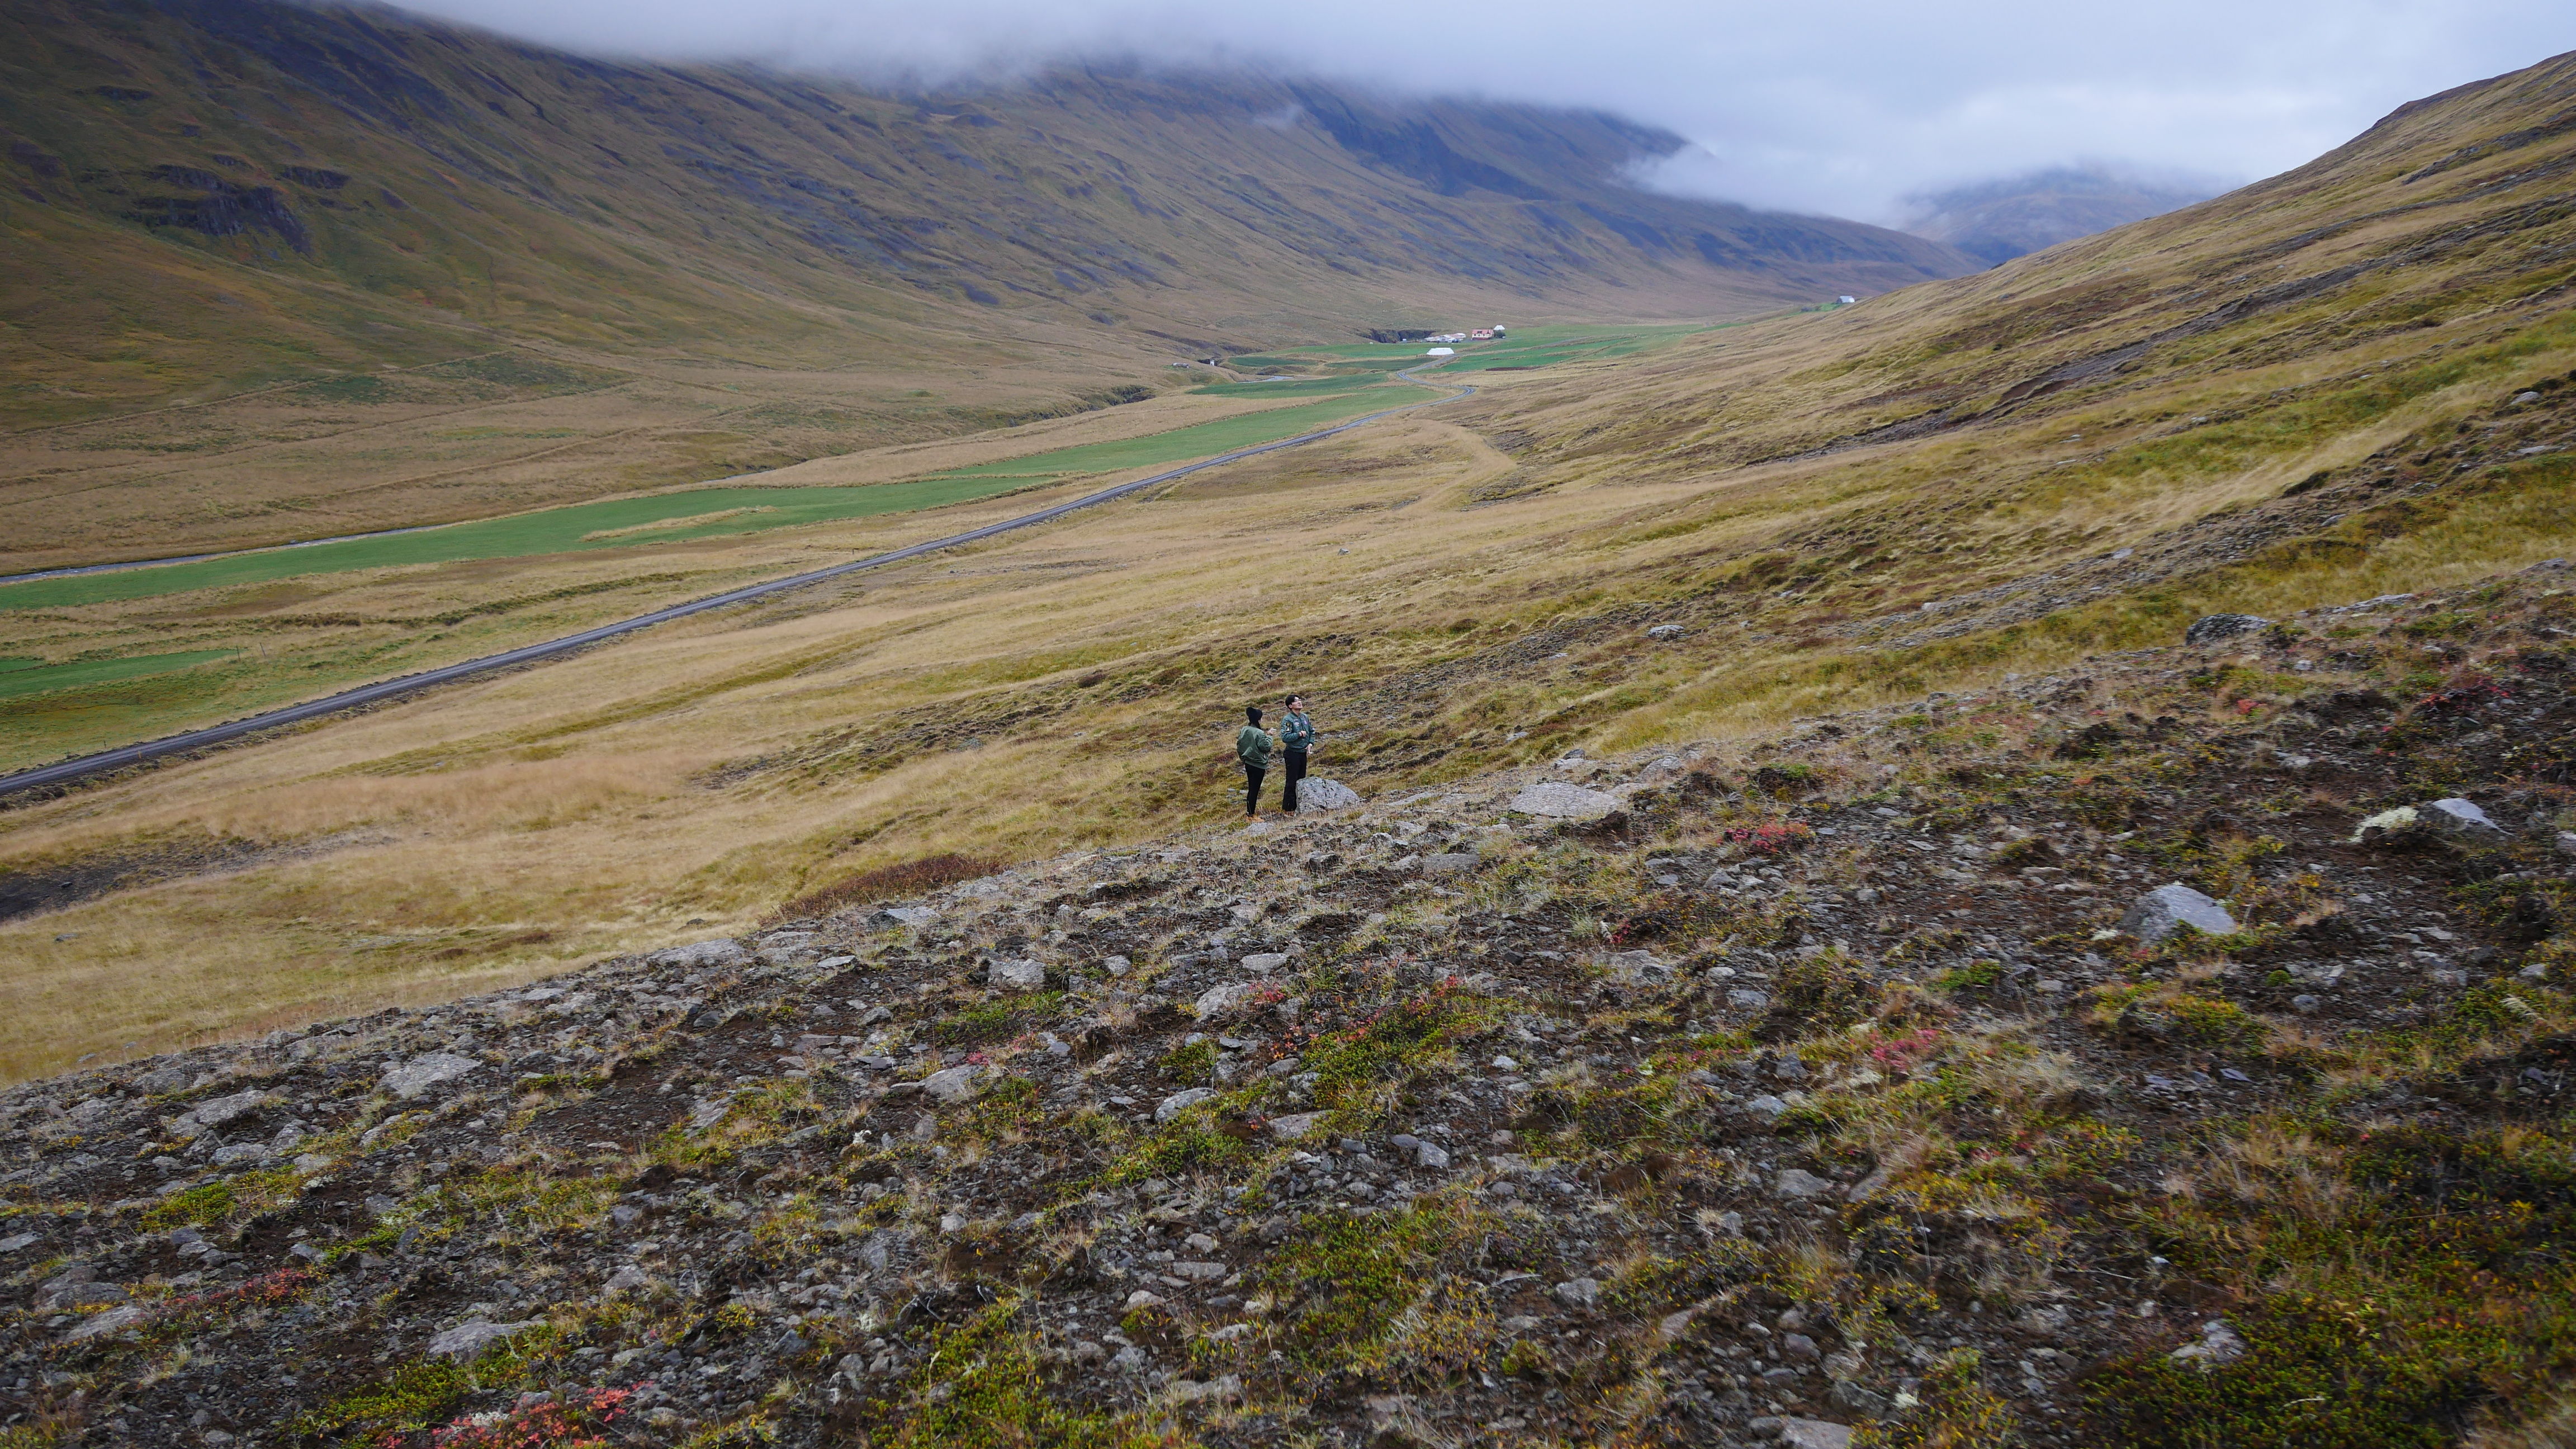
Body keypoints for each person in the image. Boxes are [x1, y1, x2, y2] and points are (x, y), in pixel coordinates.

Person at [1277, 693, 1314, 813]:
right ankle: (1288, 809)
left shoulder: (1305, 717)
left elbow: (1311, 732)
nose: (1300, 702)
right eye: (1296, 701)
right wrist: (1299, 734)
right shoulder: (1288, 720)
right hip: (1292, 753)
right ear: (1290, 706)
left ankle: (1299, 806)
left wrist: (1310, 743)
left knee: (1301, 780)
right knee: (1292, 781)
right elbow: (1285, 737)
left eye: (1300, 700)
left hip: (1303, 753)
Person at [1235, 705, 1274, 818]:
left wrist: (1243, 759)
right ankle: (1251, 815)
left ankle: (1250, 813)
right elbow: (1266, 747)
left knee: (1251, 789)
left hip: (1248, 763)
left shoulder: (1244, 730)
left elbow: (1239, 745)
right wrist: (1270, 736)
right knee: (1255, 790)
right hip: (1258, 765)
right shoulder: (1259, 733)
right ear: (1259, 719)